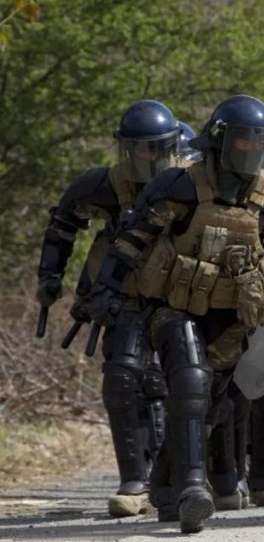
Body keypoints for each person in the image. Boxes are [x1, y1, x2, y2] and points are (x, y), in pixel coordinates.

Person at [88, 94, 264, 533]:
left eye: (258, 144)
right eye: (243, 143)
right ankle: (193, 487)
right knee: (190, 380)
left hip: (231, 319)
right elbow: (131, 240)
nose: (250, 152)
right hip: (173, 307)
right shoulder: (179, 186)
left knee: (208, 404)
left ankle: (165, 486)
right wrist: (107, 291)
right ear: (221, 142)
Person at [36, 100, 181, 517]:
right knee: (121, 380)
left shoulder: (190, 183)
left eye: (157, 148)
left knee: (180, 386)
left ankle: (188, 475)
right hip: (121, 297)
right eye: (140, 149)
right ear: (125, 149)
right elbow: (62, 226)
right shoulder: (101, 185)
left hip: (182, 298)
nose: (149, 158)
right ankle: (135, 480)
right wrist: (50, 276)